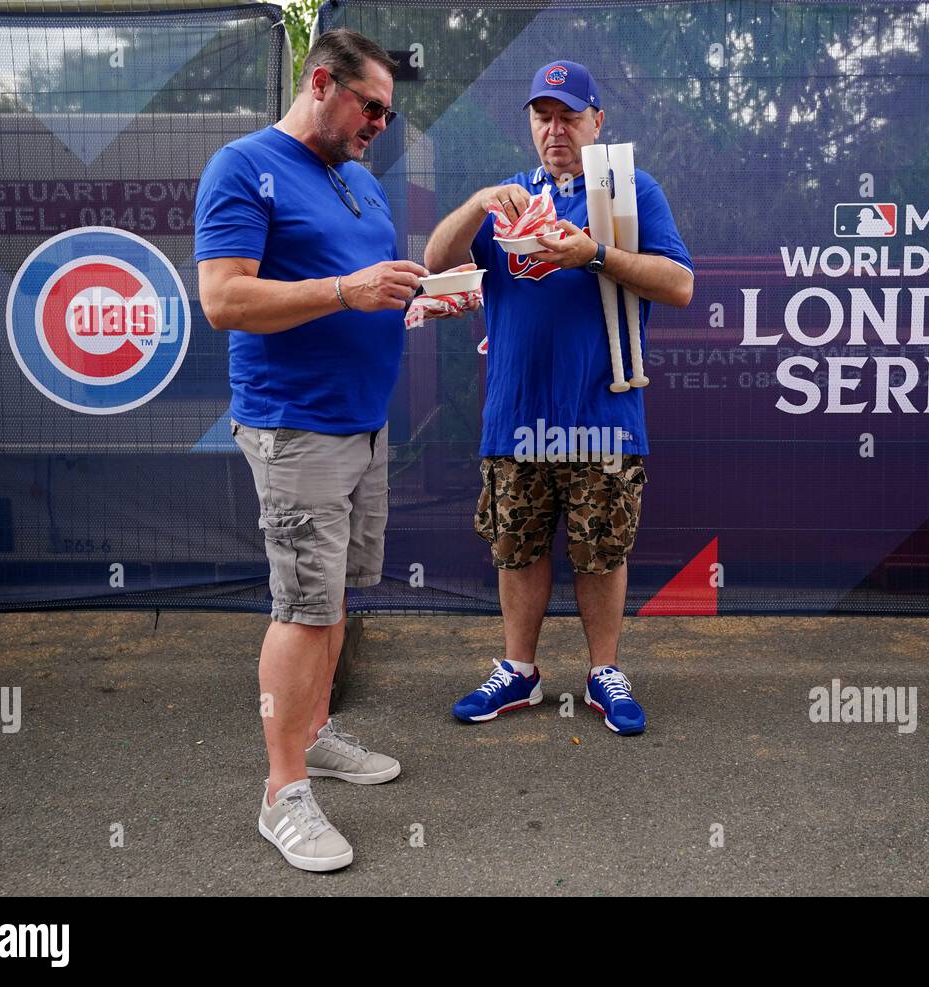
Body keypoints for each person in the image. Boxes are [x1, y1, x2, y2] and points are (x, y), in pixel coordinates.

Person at [195, 29, 459, 872]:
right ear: (320, 82)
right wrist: (348, 289)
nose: (380, 121)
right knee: (302, 607)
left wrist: (417, 302)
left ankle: (316, 732)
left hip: (362, 423)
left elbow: (365, 295)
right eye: (370, 105)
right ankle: (283, 793)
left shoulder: (357, 184)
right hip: (294, 424)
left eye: (388, 110)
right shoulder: (242, 167)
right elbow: (225, 298)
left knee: (335, 592)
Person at [424, 59, 694, 736]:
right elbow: (433, 262)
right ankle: (520, 669)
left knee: (600, 550)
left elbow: (679, 283)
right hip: (515, 417)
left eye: (569, 115)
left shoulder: (628, 194)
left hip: (603, 412)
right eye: (542, 117)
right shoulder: (510, 197)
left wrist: (595, 254)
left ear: (597, 122)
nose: (555, 129)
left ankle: (605, 671)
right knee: (517, 546)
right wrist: (477, 203)